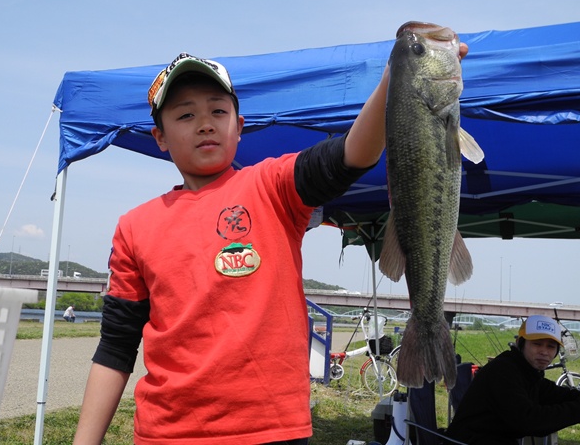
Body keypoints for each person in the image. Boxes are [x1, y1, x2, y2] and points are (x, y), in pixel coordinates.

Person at [74, 40, 468, 444]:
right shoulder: (135, 226)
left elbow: (353, 154)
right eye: (185, 114)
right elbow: (116, 349)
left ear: (239, 127)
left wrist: (398, 74)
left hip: (273, 432)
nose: (205, 123)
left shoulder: (272, 186)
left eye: (218, 110)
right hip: (166, 433)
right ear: (160, 136)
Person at [446, 315, 580, 445]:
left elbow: (557, 394)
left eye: (551, 346)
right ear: (520, 343)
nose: (544, 351)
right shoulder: (503, 371)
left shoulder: (528, 373)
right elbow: (528, 422)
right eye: (537, 344)